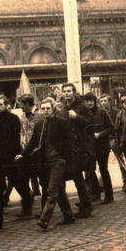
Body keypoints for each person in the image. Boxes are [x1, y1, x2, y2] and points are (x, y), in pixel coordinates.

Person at [17, 98, 75, 230]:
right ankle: (69, 215)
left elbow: (69, 142)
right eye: (43, 109)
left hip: (58, 161)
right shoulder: (40, 124)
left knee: (52, 190)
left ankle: (45, 219)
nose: (45, 111)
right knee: (58, 189)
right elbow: (33, 141)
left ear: (53, 108)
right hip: (45, 162)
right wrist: (23, 154)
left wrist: (65, 158)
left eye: (48, 108)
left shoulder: (61, 122)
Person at [0, 95, 34, 218]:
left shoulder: (13, 118)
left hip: (11, 155)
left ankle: (27, 205)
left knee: (18, 181)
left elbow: (15, 139)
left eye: (1, 105)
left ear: (6, 105)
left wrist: (13, 153)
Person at [57, 83, 93, 218]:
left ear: (73, 92)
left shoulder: (82, 106)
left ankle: (86, 206)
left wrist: (77, 117)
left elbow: (91, 123)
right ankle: (84, 205)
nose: (66, 93)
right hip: (68, 148)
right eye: (64, 91)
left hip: (78, 147)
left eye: (68, 91)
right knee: (73, 177)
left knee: (78, 177)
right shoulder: (63, 108)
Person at [84, 92, 115, 204]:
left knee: (103, 170)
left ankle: (109, 196)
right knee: (89, 171)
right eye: (87, 101)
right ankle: (94, 194)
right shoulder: (84, 114)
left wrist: (99, 134)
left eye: (91, 100)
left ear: (95, 101)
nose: (89, 103)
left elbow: (111, 128)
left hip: (102, 147)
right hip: (89, 148)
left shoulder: (102, 112)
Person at [99, 94, 126, 188]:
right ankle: (101, 184)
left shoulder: (116, 112)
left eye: (105, 101)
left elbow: (118, 126)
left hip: (114, 138)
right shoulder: (100, 112)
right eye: (101, 101)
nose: (103, 103)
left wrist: (118, 140)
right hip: (104, 139)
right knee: (102, 163)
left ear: (109, 101)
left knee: (120, 161)